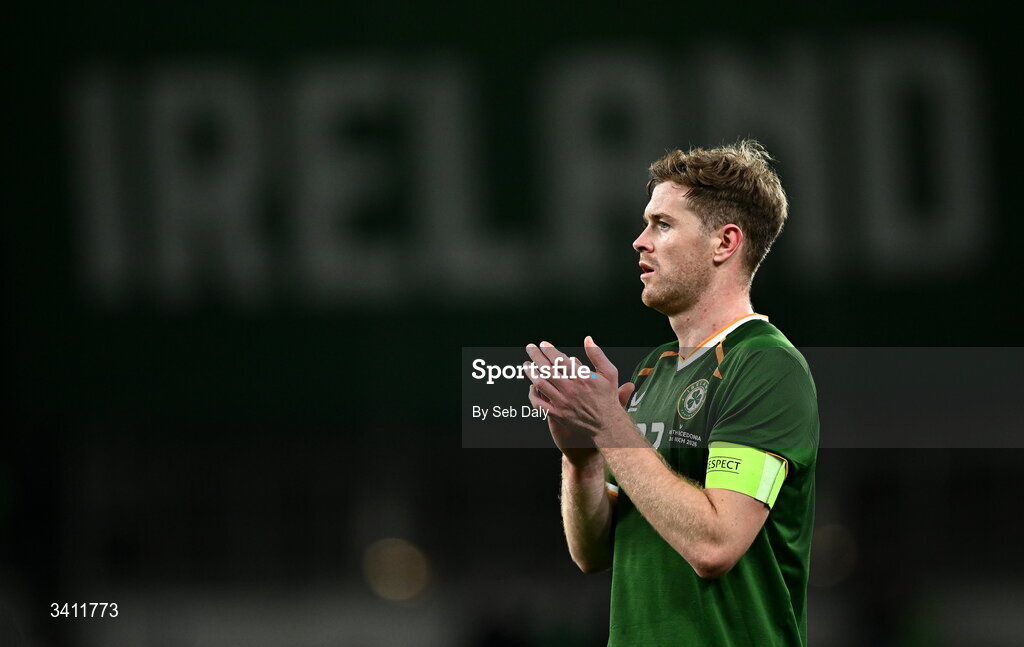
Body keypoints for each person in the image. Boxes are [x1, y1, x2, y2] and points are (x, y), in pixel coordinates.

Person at [524, 140, 819, 646]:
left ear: (724, 243)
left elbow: (716, 544)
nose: (640, 241)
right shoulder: (655, 370)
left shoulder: (765, 365)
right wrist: (582, 459)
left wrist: (612, 429)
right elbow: (592, 554)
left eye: (662, 224)